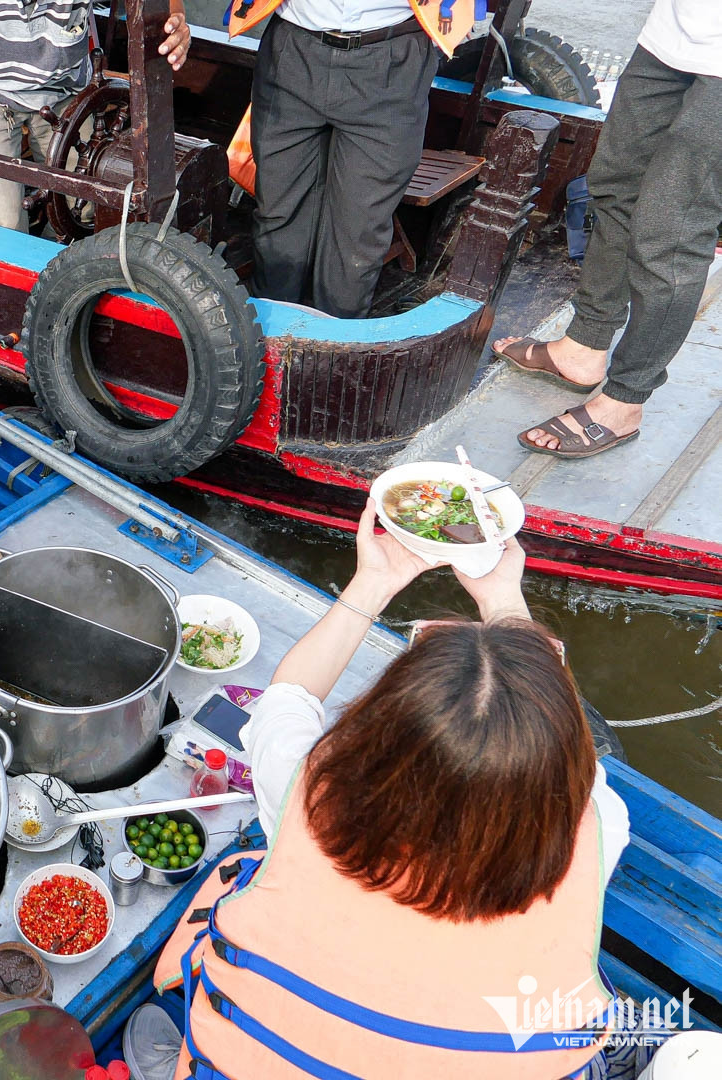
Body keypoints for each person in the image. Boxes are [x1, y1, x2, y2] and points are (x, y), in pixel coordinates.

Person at [151, 511, 631, 1079]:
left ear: (377, 732)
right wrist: (504, 599)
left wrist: (375, 579)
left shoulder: (306, 792)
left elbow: (290, 695)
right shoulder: (600, 826)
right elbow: (563, 742)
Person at [496, 0, 722, 459]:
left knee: (673, 232)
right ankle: (585, 344)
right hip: (672, 35)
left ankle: (625, 400)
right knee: (614, 189)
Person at [0, 0, 193, 231]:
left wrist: (175, 16)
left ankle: (58, 272)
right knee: (4, 225)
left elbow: (159, 5)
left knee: (90, 209)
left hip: (62, 88)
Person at [239, 0, 449, 317]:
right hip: (292, 48)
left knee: (359, 235)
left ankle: (334, 347)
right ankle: (268, 334)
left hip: (393, 56)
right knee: (278, 212)